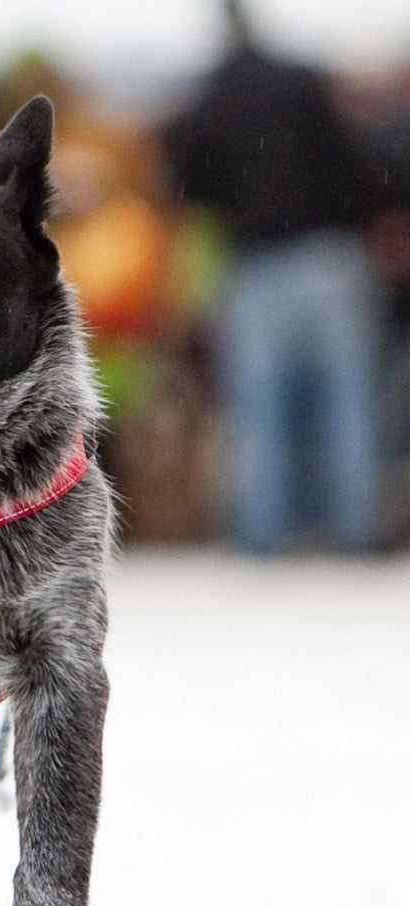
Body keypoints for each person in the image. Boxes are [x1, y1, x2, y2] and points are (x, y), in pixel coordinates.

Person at [164, 0, 388, 554]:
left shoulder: (212, 96)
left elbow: (189, 183)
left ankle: (264, 535)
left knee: (260, 407)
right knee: (346, 401)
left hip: (257, 263)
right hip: (328, 254)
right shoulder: (302, 82)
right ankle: (353, 529)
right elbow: (356, 161)